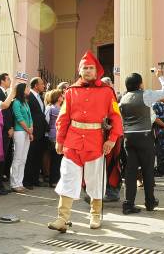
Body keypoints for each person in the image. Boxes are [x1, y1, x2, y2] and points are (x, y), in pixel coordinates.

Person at [48, 50, 122, 232]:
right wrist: (60, 140)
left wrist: (112, 139)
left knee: (95, 180)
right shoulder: (71, 91)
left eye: (91, 68)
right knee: (67, 177)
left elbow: (116, 117)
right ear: (79, 70)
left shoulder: (107, 92)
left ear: (97, 71)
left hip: (95, 143)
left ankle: (95, 214)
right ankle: (62, 218)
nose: (88, 71)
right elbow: (63, 118)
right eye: (84, 68)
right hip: (72, 142)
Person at [119, 70, 164, 214]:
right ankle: (149, 201)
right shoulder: (146, 94)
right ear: (140, 84)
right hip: (144, 136)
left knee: (130, 171)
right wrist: (159, 75)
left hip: (128, 137)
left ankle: (128, 204)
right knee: (147, 170)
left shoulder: (123, 98)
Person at [24, 77, 50, 188]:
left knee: (38, 156)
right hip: (33, 130)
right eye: (41, 84)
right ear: (36, 86)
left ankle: (35, 179)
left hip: (41, 132)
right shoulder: (29, 96)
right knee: (30, 156)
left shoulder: (40, 96)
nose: (43, 86)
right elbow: (28, 114)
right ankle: (27, 181)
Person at [0, 73, 14, 196]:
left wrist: (11, 127)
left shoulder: (4, 93)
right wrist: (7, 128)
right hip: (2, 131)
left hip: (7, 130)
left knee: (3, 159)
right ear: (2, 81)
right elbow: (1, 113)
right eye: (8, 79)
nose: (10, 81)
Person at [10, 82, 33, 193]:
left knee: (23, 159)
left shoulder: (25, 103)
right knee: (18, 158)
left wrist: (31, 129)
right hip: (19, 131)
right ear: (21, 90)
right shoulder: (16, 102)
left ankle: (20, 182)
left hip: (27, 132)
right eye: (26, 87)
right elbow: (19, 118)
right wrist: (28, 130)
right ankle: (14, 183)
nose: (28, 89)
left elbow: (30, 117)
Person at [45, 89, 64, 187]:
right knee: (55, 159)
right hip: (53, 135)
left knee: (60, 159)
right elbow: (46, 121)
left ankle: (58, 179)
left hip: (61, 135)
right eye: (60, 95)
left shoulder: (62, 107)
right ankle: (53, 181)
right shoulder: (50, 108)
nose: (62, 96)